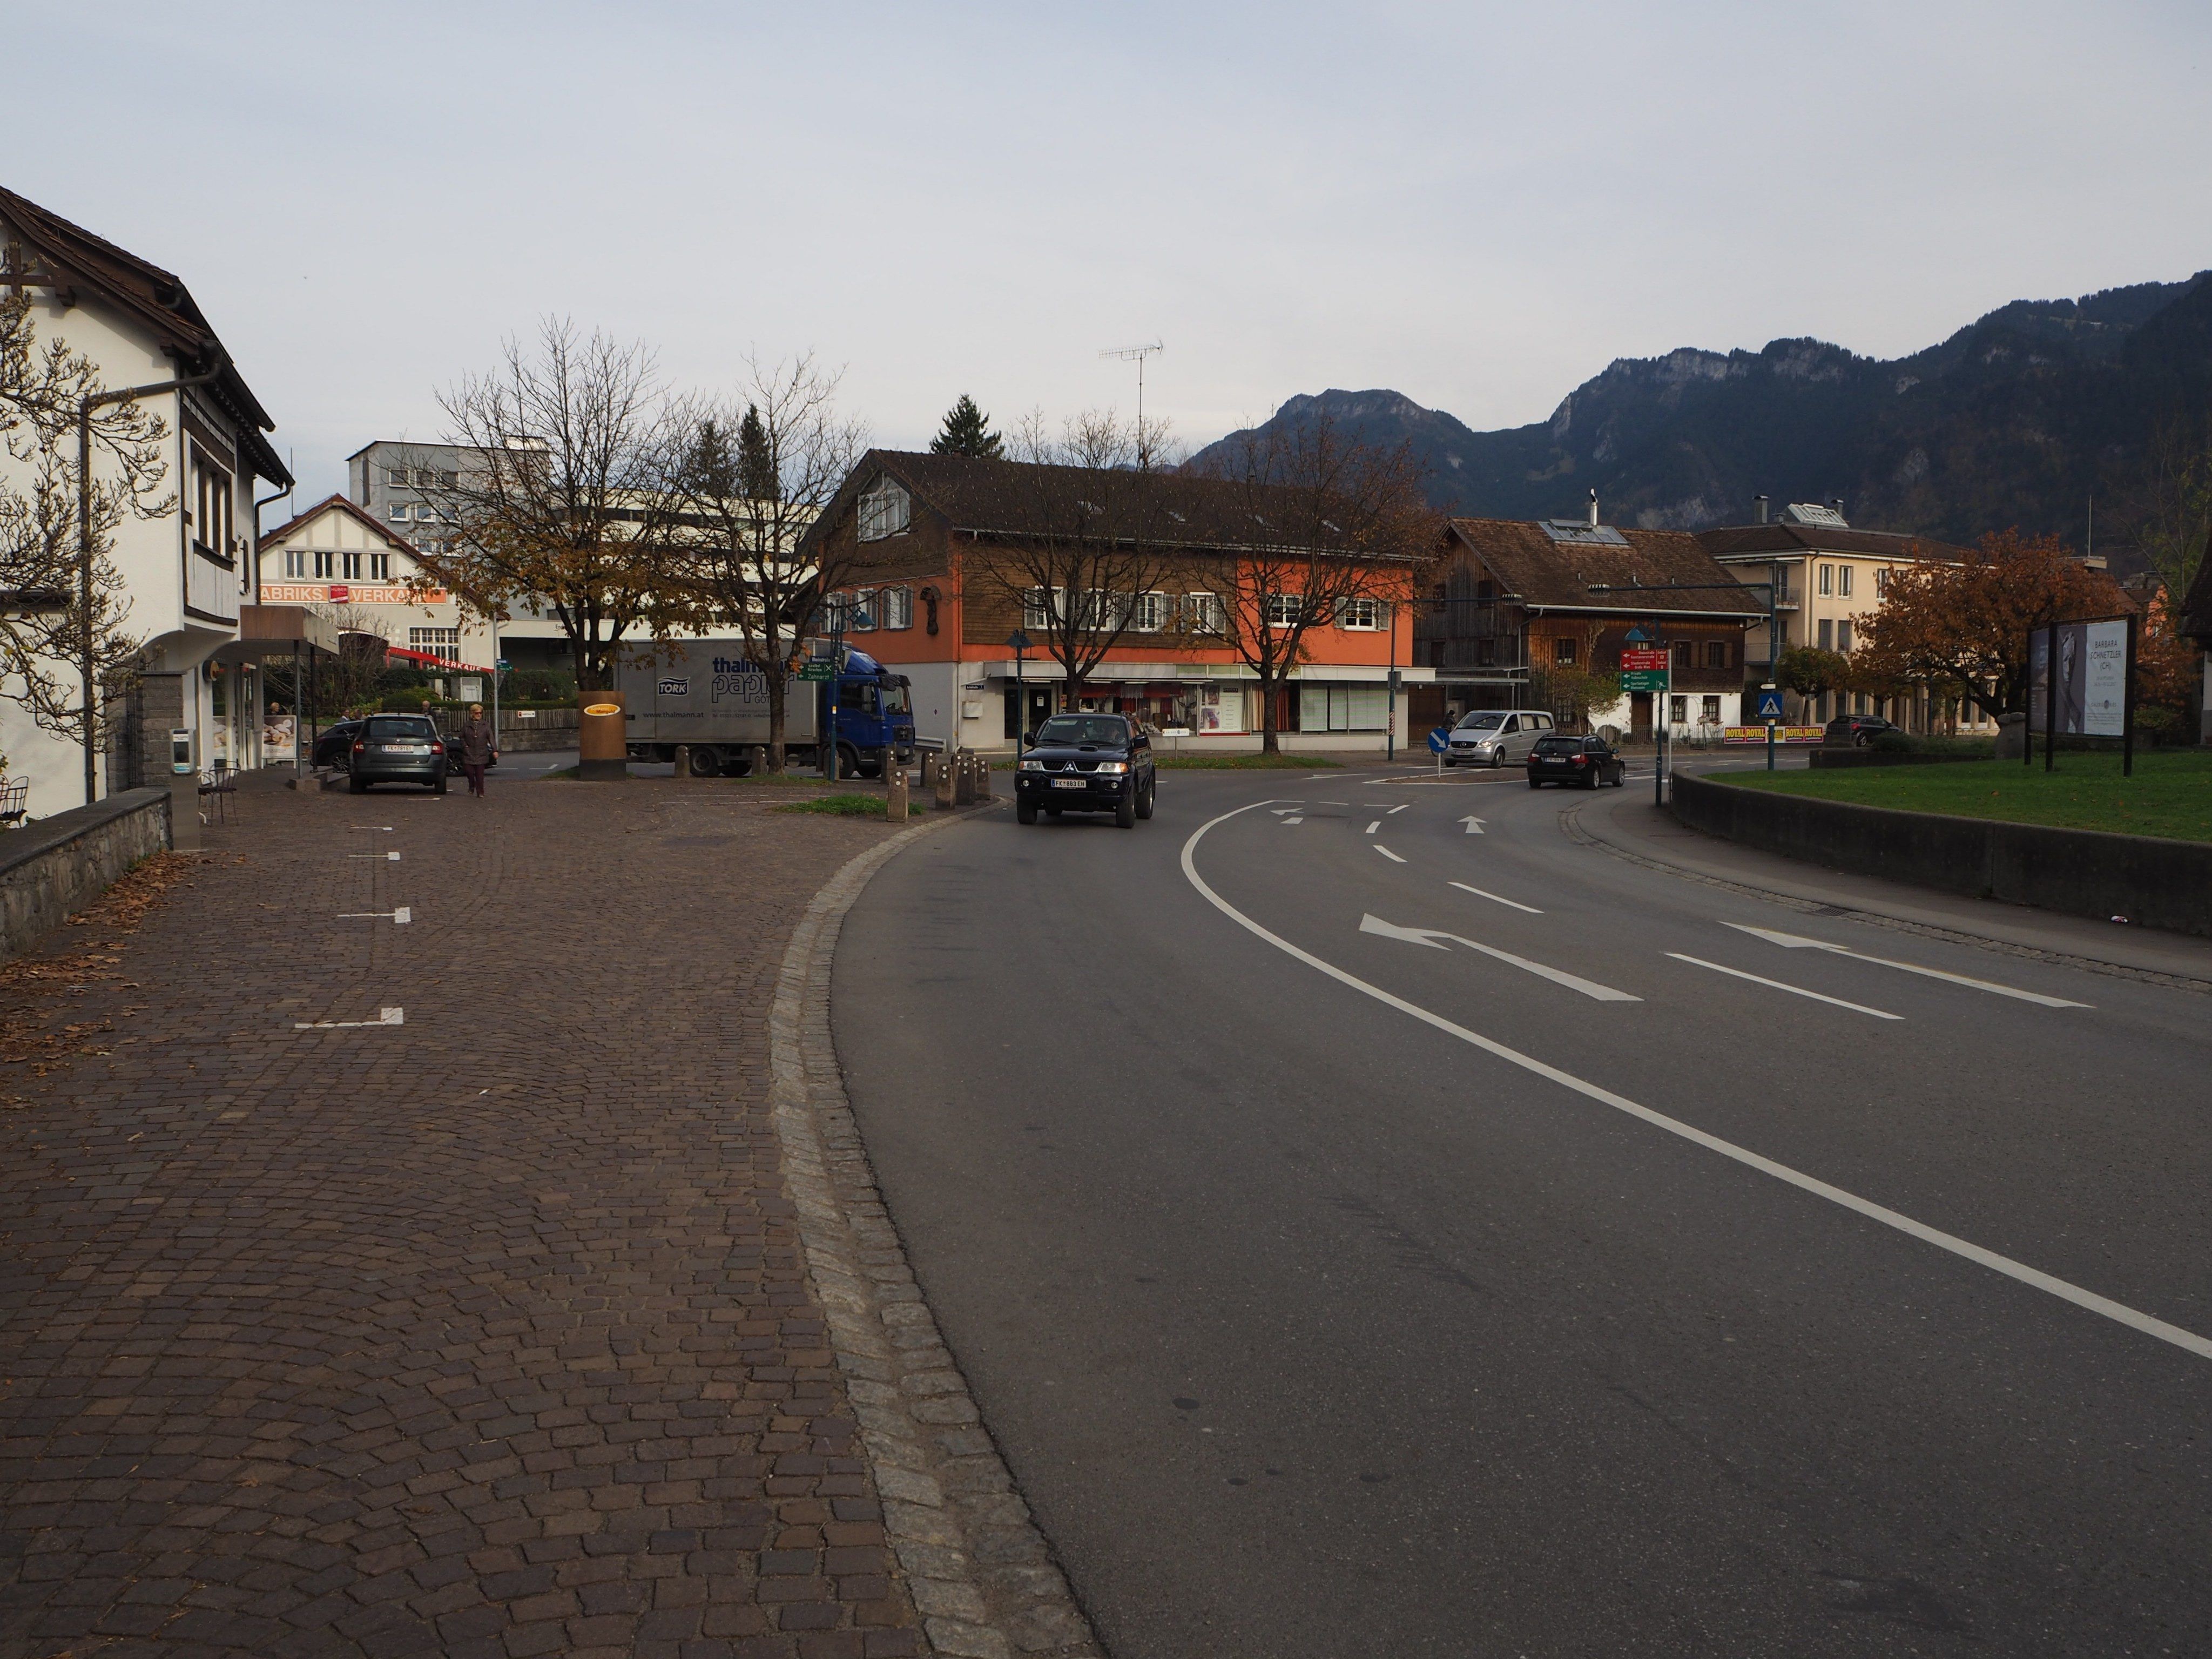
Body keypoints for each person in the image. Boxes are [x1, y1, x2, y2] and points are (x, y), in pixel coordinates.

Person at [458, 703, 495, 797]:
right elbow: (461, 737)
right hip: (469, 753)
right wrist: (465, 746)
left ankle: (480, 792)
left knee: (480, 776)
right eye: (477, 713)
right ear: (472, 714)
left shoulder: (485, 725)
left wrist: (495, 750)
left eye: (481, 713)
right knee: (469, 772)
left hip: (481, 753)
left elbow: (491, 737)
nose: (479, 715)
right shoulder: (467, 725)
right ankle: (472, 785)